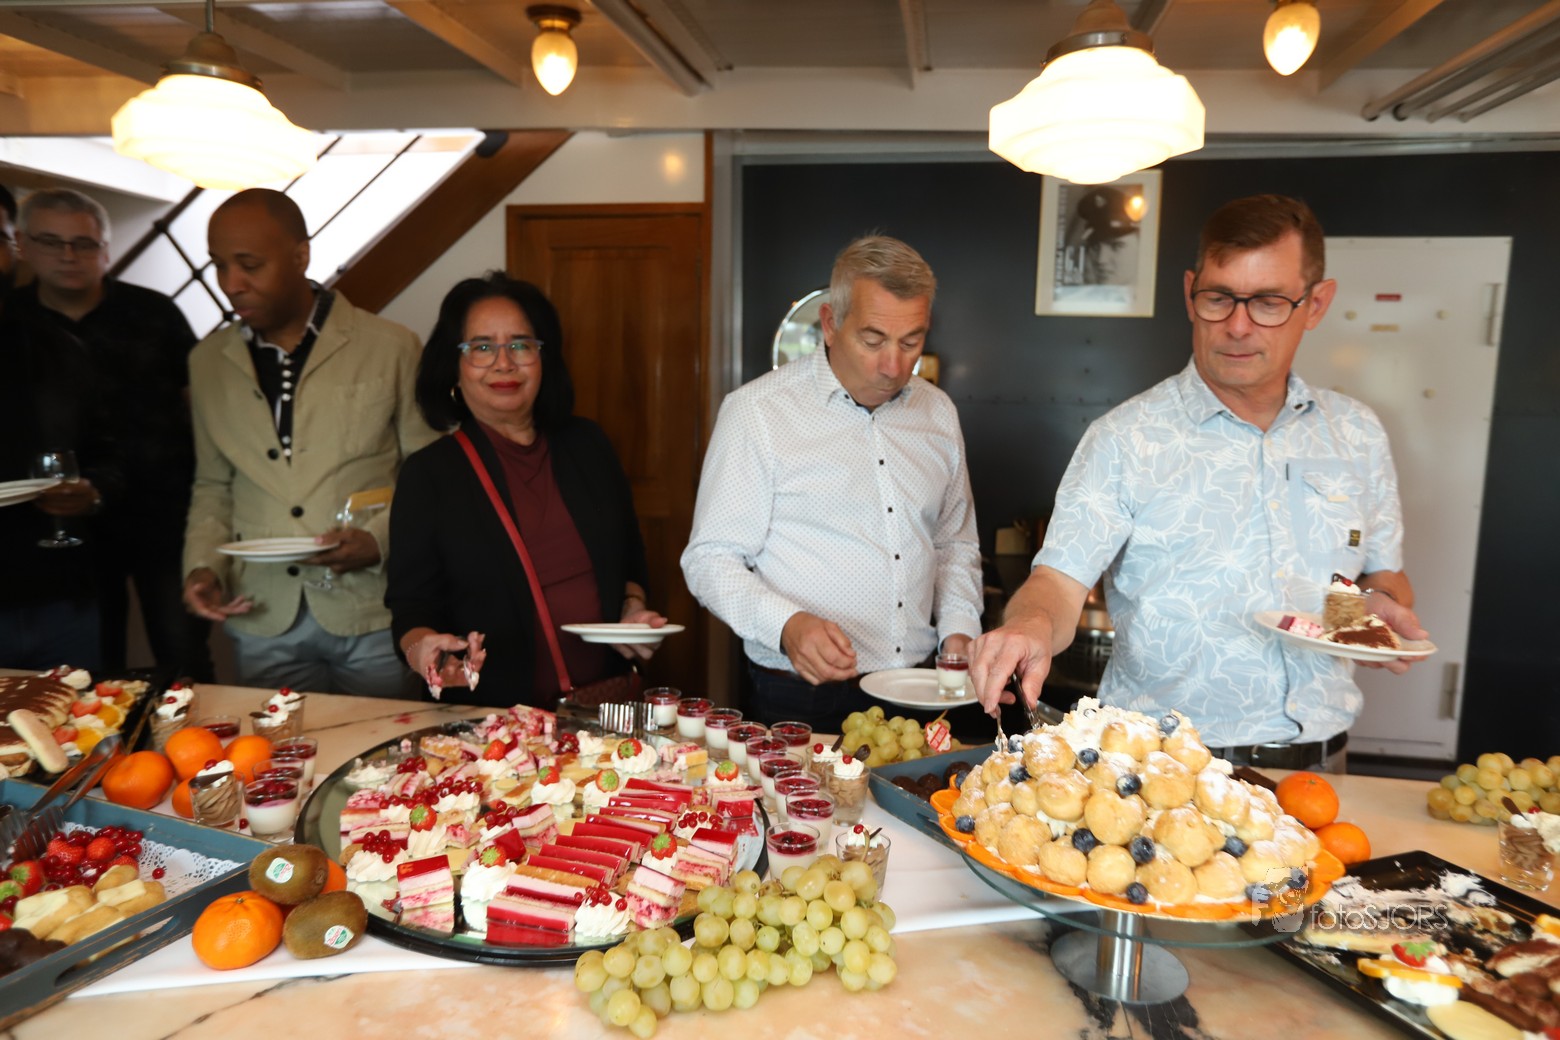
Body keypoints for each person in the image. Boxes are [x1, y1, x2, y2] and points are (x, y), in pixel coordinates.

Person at [972, 194, 1427, 772]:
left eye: (1268, 302)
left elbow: (1381, 577)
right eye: (1218, 298)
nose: (1237, 326)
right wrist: (1029, 626)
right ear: (1191, 293)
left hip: (1320, 766)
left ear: (1315, 304)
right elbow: (1059, 581)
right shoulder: (1126, 438)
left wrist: (1375, 612)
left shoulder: (1356, 434)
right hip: (1159, 767)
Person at [681, 235, 983, 730]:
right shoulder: (757, 412)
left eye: (911, 342)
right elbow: (709, 559)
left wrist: (959, 633)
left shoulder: (938, 413)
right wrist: (786, 626)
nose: (894, 366)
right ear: (829, 323)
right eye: (873, 340)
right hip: (803, 692)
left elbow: (955, 544)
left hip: (921, 686)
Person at [182, 188, 437, 696]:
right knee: (278, 744)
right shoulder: (206, 362)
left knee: (386, 740)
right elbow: (213, 484)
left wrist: (379, 539)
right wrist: (203, 565)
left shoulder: (391, 346)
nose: (231, 284)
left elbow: (430, 471)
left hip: (371, 607)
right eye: (219, 266)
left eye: (249, 265)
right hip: (261, 611)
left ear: (301, 256)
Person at [386, 272, 666, 708]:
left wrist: (632, 607)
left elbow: (630, 556)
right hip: (494, 721)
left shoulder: (588, 445)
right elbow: (411, 609)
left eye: (521, 345)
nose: (504, 363)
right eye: (481, 347)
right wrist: (423, 650)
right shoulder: (429, 474)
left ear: (543, 358)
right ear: (453, 366)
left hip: (605, 709)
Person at [9, 187, 212, 681]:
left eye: (83, 243)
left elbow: (202, 406)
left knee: (182, 649)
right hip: (63, 525)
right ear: (24, 245)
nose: (68, 255)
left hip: (164, 510)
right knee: (95, 664)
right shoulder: (14, 322)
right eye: (52, 242)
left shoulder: (154, 312)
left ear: (105, 249)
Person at [0, 185, 119, 669]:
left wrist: (93, 491)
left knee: (83, 714)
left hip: (59, 593)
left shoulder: (58, 349)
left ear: (13, 248)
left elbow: (108, 449)